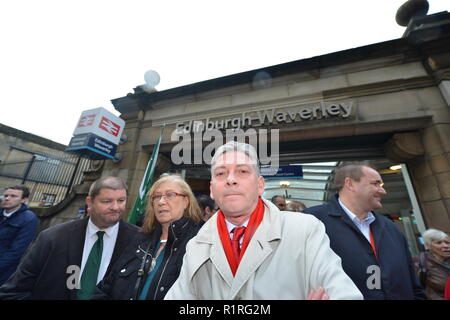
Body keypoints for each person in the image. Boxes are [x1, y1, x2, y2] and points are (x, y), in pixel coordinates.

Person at [165, 141, 363, 300]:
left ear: (260, 185)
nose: (230, 179)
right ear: (211, 189)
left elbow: (344, 293)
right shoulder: (197, 246)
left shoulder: (304, 230)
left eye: (242, 171)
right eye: (221, 173)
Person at [0, 176, 139, 300]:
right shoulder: (52, 238)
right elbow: (13, 291)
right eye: (107, 201)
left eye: (121, 200)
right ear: (90, 203)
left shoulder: (139, 240)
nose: (116, 207)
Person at [304, 162, 426, 300]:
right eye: (375, 184)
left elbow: (412, 283)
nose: (383, 191)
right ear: (350, 184)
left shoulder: (389, 227)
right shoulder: (312, 221)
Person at [92, 174, 203, 300]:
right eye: (156, 197)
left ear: (186, 202)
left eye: (170, 195)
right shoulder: (139, 240)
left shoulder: (198, 243)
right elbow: (104, 288)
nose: (161, 202)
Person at [0, 185, 39, 286]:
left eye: (13, 196)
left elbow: (17, 251)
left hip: (5, 270)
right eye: (6, 195)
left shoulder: (29, 219)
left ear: (23, 200)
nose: (7, 198)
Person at [414, 228, 450, 300]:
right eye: (439, 243)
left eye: (447, 242)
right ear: (429, 246)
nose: (445, 246)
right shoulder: (420, 261)